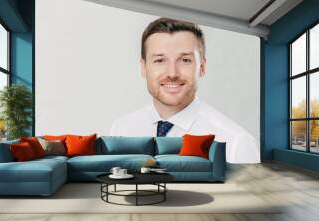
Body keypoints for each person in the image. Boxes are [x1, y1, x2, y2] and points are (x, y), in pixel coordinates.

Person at [110, 18, 260, 163]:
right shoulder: (121, 129)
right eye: (160, 60)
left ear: (202, 67)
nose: (172, 73)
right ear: (143, 68)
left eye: (185, 60)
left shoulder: (236, 143)